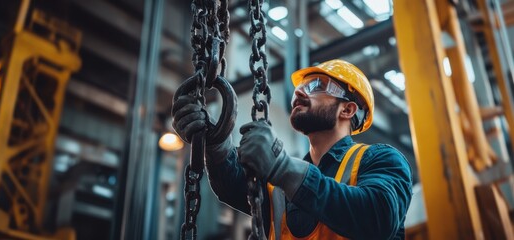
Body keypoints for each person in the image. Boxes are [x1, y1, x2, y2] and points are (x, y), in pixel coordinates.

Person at [172, 59, 413, 240]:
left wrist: (283, 168)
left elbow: (378, 217)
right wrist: (215, 141)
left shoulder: (381, 160)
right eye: (301, 88)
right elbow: (232, 186)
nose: (298, 92)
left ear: (348, 110)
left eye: (316, 86)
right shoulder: (279, 186)